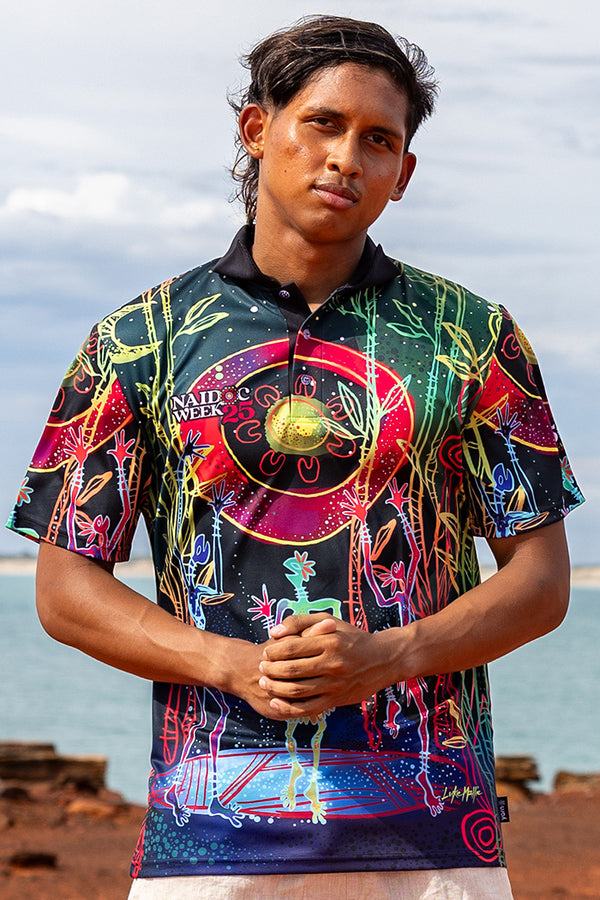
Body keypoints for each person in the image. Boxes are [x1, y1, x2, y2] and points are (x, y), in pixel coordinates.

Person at [8, 14, 583, 900]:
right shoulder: (140, 339)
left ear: (403, 174)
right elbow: (64, 589)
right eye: (323, 122)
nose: (346, 157)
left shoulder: (472, 337)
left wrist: (391, 655)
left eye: (378, 140)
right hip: (209, 831)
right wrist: (230, 664)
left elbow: (542, 581)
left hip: (434, 833)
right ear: (257, 129)